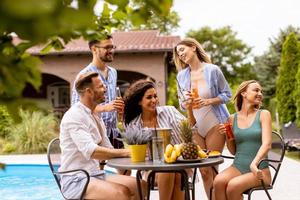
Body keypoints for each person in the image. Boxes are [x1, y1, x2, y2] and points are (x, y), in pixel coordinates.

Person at [60, 72, 146, 200]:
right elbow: (92, 152)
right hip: (76, 179)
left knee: (141, 185)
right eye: (100, 86)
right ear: (89, 91)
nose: (105, 89)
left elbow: (108, 148)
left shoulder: (95, 115)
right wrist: (126, 153)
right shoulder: (75, 116)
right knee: (121, 193)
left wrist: (135, 151)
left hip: (96, 174)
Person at [173, 38, 232, 198]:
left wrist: (208, 101)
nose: (181, 55)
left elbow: (227, 95)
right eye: (178, 54)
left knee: (212, 167)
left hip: (215, 123)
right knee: (204, 171)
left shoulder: (213, 70)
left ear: (193, 47)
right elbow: (182, 104)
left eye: (182, 50)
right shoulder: (181, 76)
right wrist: (187, 103)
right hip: (195, 127)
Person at [123, 79, 185, 200]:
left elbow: (191, 129)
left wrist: (190, 111)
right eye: (149, 97)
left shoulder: (169, 111)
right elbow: (137, 153)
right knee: (169, 172)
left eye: (155, 96)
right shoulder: (134, 124)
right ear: (139, 101)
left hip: (178, 162)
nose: (154, 100)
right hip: (151, 169)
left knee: (175, 173)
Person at [213, 80, 272, 200]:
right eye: (256, 90)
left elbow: (267, 144)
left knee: (233, 186)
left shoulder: (263, 114)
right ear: (243, 93)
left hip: (259, 170)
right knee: (218, 181)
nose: (260, 93)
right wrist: (227, 136)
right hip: (238, 167)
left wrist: (254, 164)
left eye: (261, 91)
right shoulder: (231, 119)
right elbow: (233, 151)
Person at [71, 35, 124, 149]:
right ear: (94, 49)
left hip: (113, 132)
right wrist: (105, 108)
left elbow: (111, 101)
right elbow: (77, 107)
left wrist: (118, 109)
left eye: (112, 47)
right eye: (107, 47)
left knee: (125, 165)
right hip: (94, 133)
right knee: (99, 167)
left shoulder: (113, 72)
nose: (111, 51)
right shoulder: (84, 75)